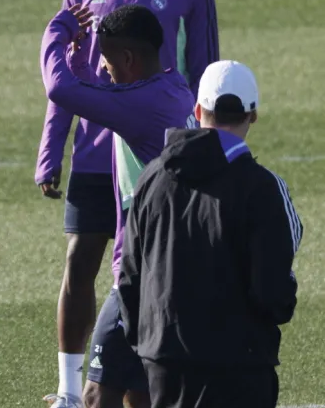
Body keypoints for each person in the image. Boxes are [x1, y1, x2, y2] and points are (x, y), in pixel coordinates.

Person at [37, 0, 220, 408]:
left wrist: (205, 153)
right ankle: (72, 392)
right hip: (97, 153)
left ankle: (133, 385)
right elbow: (69, 77)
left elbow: (206, 71)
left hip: (155, 157)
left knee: (143, 272)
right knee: (81, 263)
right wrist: (52, 149)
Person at [119, 61, 301, 408]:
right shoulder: (262, 188)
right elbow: (272, 292)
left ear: (198, 109)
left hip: (163, 359)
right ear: (253, 116)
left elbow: (130, 276)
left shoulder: (152, 178)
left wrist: (147, 342)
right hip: (239, 365)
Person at [41, 3, 195, 408]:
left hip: (140, 276)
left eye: (106, 59)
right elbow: (96, 91)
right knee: (140, 395)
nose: (104, 67)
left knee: (95, 395)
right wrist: (79, 55)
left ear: (128, 58)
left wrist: (58, 30)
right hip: (169, 270)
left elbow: (59, 89)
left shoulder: (142, 106)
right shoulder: (168, 89)